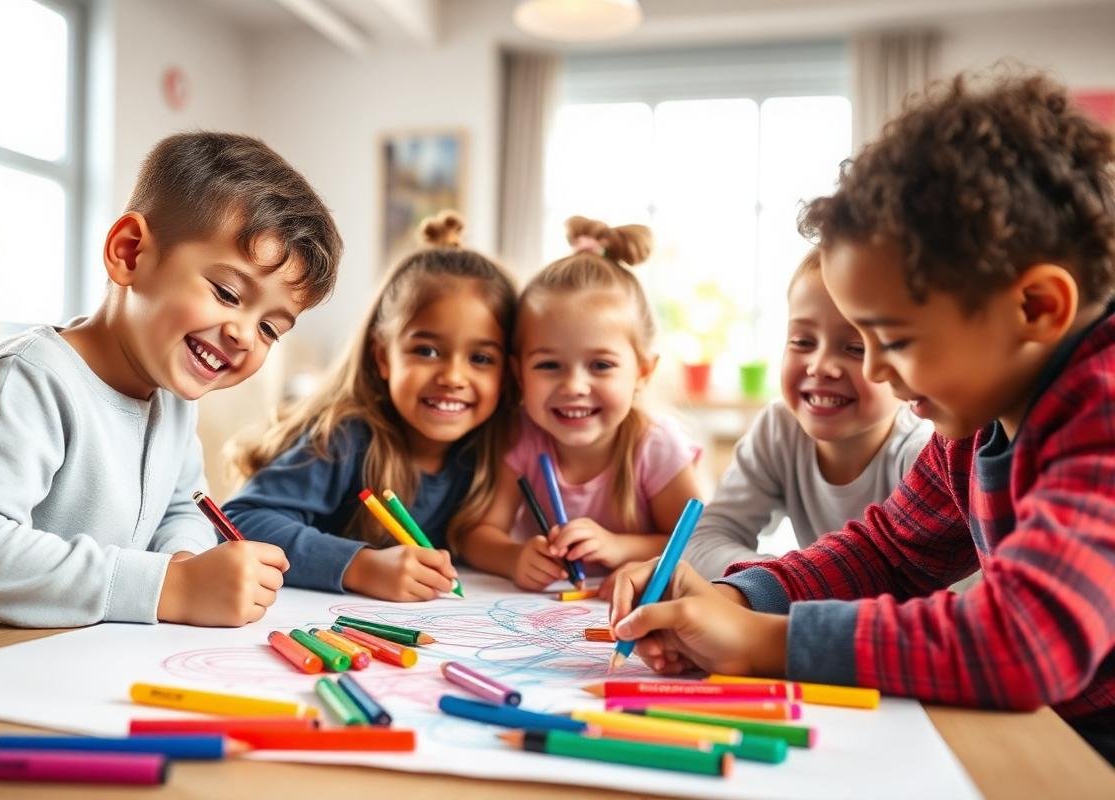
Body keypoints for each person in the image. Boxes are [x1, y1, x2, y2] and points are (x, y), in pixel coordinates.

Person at [609, 72, 1115, 763]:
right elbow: (888, 553)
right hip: (1058, 729)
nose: (875, 371)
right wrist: (739, 600)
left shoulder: (1102, 413)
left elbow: (1026, 640)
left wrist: (765, 643)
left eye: (894, 340)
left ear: (1035, 308)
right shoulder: (978, 419)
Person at [0, 132, 343, 636]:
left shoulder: (174, 401)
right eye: (227, 293)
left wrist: (186, 560)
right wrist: (170, 587)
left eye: (270, 328)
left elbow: (183, 508)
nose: (245, 336)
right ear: (130, 252)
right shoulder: (30, 377)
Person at [225, 211, 519, 601]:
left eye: (481, 358)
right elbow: (240, 522)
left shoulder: (496, 454)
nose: (453, 377)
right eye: (427, 351)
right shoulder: (345, 438)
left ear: (509, 373)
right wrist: (360, 566)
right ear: (383, 357)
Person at [462, 216, 702, 590]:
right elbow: (476, 535)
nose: (574, 386)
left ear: (642, 372)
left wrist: (618, 547)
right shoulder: (522, 437)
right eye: (549, 365)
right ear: (518, 373)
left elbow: (698, 543)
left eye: (601, 365)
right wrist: (514, 557)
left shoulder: (656, 446)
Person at [683, 248, 931, 578]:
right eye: (802, 342)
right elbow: (703, 542)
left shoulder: (922, 455)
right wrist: (783, 578)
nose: (820, 366)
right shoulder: (779, 429)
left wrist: (795, 581)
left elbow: (929, 586)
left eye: (856, 348)